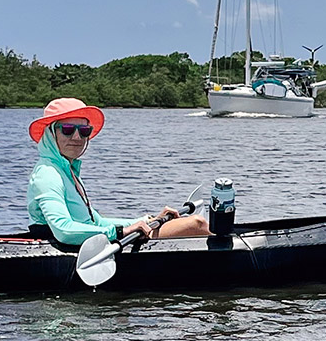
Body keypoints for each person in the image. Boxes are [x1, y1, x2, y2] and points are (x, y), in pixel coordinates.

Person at [26, 97, 209, 248]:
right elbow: (64, 231)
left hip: (91, 240)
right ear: (51, 134)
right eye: (67, 130)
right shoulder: (48, 174)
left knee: (192, 223)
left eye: (83, 131)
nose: (76, 137)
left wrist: (146, 219)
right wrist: (121, 232)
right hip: (73, 245)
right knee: (196, 224)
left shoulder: (67, 171)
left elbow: (97, 223)